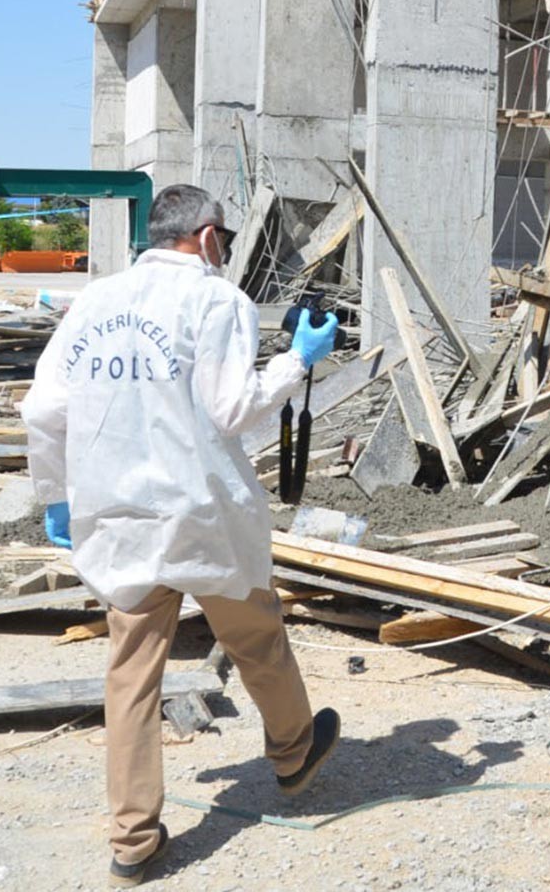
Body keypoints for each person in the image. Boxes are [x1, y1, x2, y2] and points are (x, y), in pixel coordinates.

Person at [21, 183, 342, 886]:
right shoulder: (216, 300)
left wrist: (57, 498)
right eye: (222, 239)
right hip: (201, 514)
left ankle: (133, 839)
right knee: (255, 636)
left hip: (118, 514)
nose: (223, 251)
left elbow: (44, 410)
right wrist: (298, 361)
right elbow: (233, 409)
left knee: (132, 671)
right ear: (203, 236)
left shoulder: (95, 303)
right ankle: (293, 752)